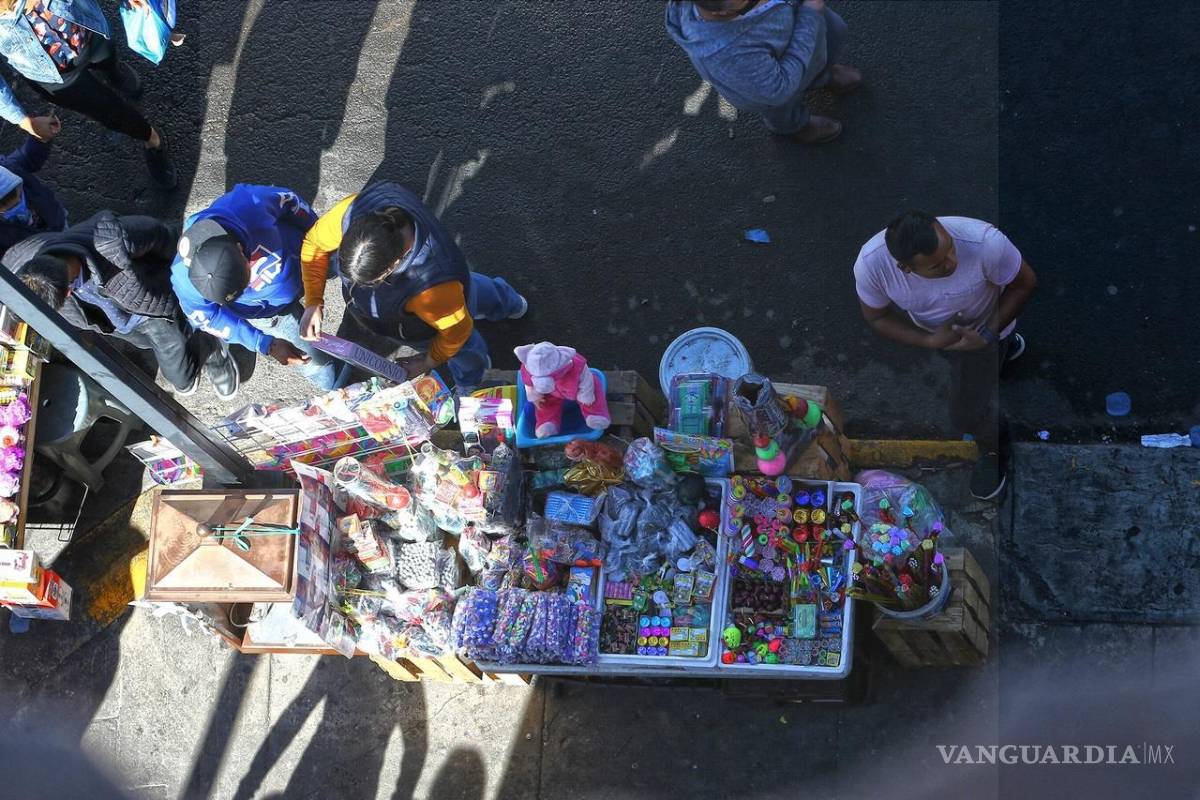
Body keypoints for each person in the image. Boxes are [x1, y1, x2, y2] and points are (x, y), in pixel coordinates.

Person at [853, 211, 1037, 500]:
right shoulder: (872, 266)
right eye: (938, 266)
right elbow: (877, 317)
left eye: (950, 249)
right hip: (946, 339)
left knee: (965, 414)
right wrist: (930, 340)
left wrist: (987, 335)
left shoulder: (985, 243)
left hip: (989, 331)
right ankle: (1005, 352)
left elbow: (1024, 283)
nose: (952, 261)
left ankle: (995, 448)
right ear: (904, 268)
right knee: (978, 364)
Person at [297, 181, 528, 395]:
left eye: (372, 282)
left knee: (464, 347)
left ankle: (471, 378)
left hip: (426, 318)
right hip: (453, 287)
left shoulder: (432, 289)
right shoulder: (355, 210)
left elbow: (456, 333)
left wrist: (427, 361)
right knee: (471, 288)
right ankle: (510, 302)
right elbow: (315, 244)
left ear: (395, 264)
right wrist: (313, 301)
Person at [3, 211, 239, 398]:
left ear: (68, 291)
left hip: (154, 311)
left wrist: (184, 282)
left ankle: (211, 344)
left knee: (182, 381)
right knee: (150, 347)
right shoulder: (30, 270)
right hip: (121, 325)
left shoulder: (111, 240)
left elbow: (162, 236)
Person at [171, 184, 348, 392]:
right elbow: (209, 318)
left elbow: (291, 204)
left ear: (240, 248)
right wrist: (265, 344)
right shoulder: (184, 283)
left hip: (309, 257)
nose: (253, 286)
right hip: (270, 314)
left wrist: (322, 242)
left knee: (355, 269)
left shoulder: (248, 204)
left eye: (248, 280)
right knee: (320, 370)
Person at [0, 0, 176, 187]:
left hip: (89, 29)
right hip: (56, 76)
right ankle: (151, 139)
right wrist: (23, 120)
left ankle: (115, 73)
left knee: (108, 57)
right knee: (110, 111)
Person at [665, 0, 860, 145]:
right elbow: (777, 91)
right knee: (783, 107)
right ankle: (795, 126)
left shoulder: (736, 6)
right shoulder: (726, 54)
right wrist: (810, 15)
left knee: (828, 41)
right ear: (723, 12)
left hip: (805, 24)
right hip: (774, 86)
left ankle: (821, 75)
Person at [0, 117, 67, 257]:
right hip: (40, 256)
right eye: (4, 203)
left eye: (14, 192)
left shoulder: (8, 167)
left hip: (57, 222)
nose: (16, 201)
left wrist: (40, 138)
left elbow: (27, 158)